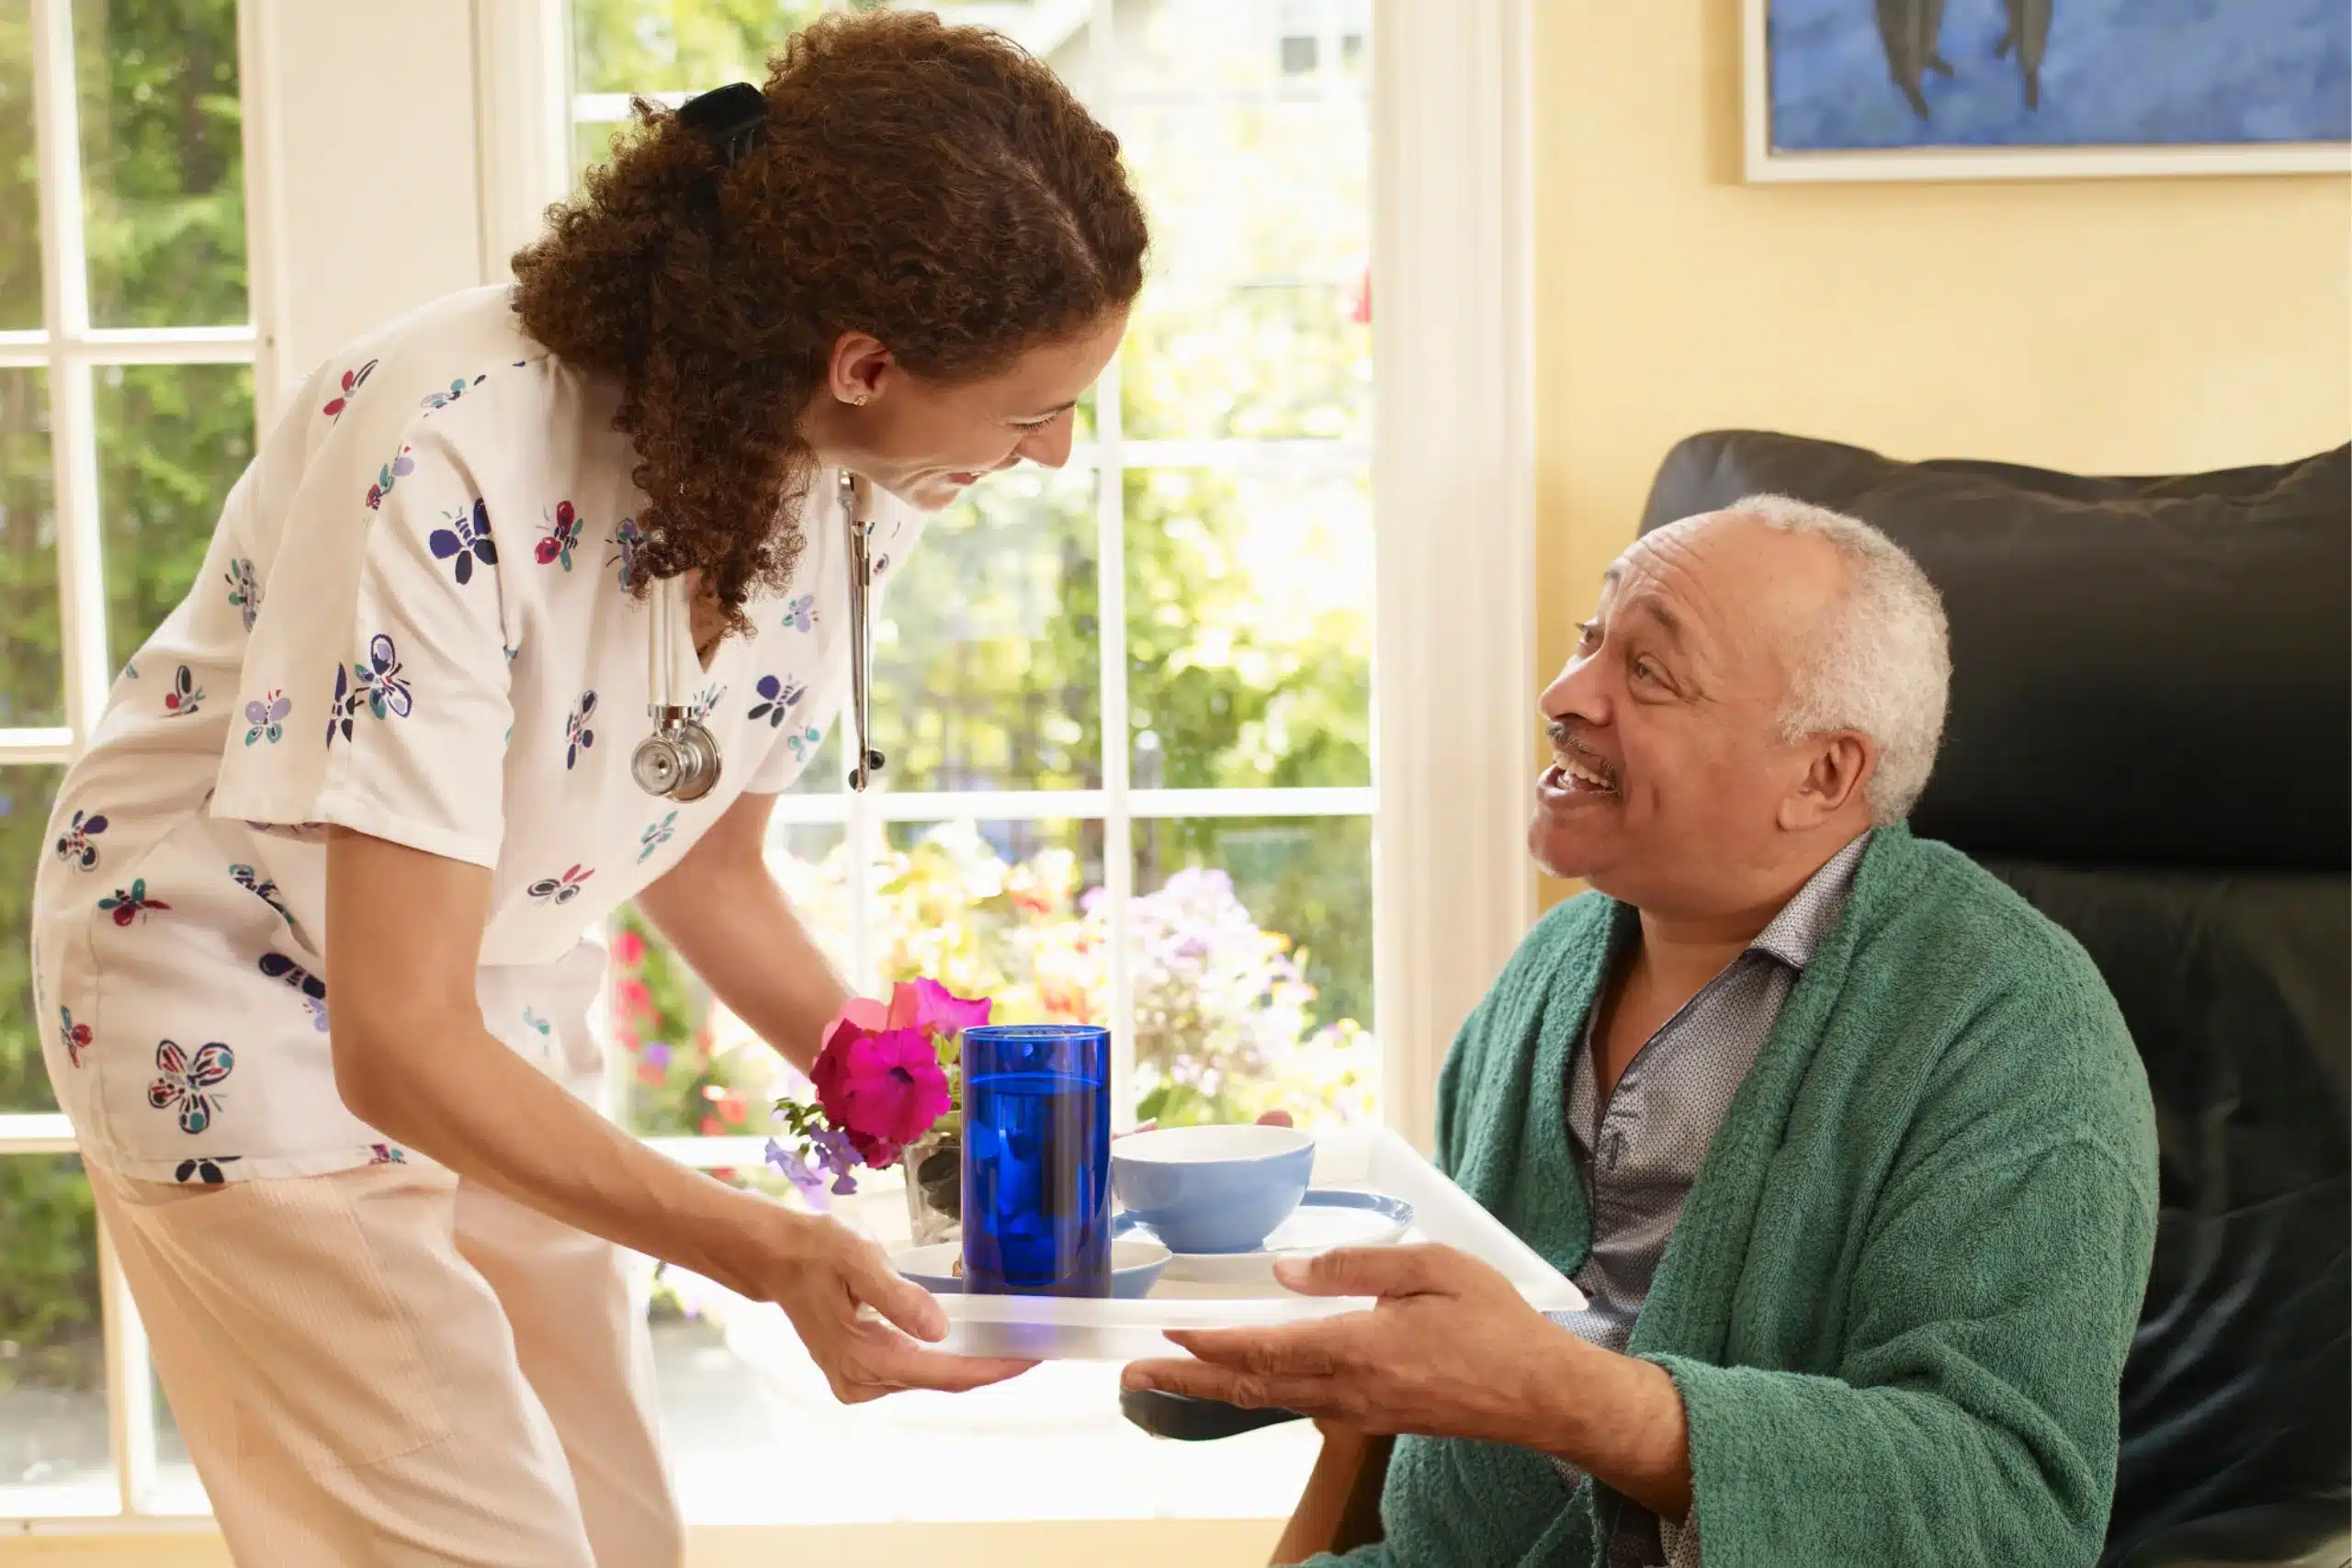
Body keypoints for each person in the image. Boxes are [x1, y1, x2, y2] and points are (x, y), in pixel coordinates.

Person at [28, 14, 1145, 1567]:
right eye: (1033, 412)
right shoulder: (443, 440)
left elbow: (703, 862)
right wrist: (768, 1249)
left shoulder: (855, 478)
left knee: (620, 1538)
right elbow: (395, 1039)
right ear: (865, 361)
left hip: (493, 993)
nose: (1050, 452)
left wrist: (912, 1097)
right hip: (233, 988)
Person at [1125, 498, 2161, 1568]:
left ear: (1822, 775)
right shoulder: (1553, 967)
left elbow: (2011, 1512)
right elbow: (1457, 1334)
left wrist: (1569, 1400)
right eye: (1589, 640)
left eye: (1649, 672)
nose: (1564, 695)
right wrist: (1282, 1283)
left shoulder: (2012, 1032)